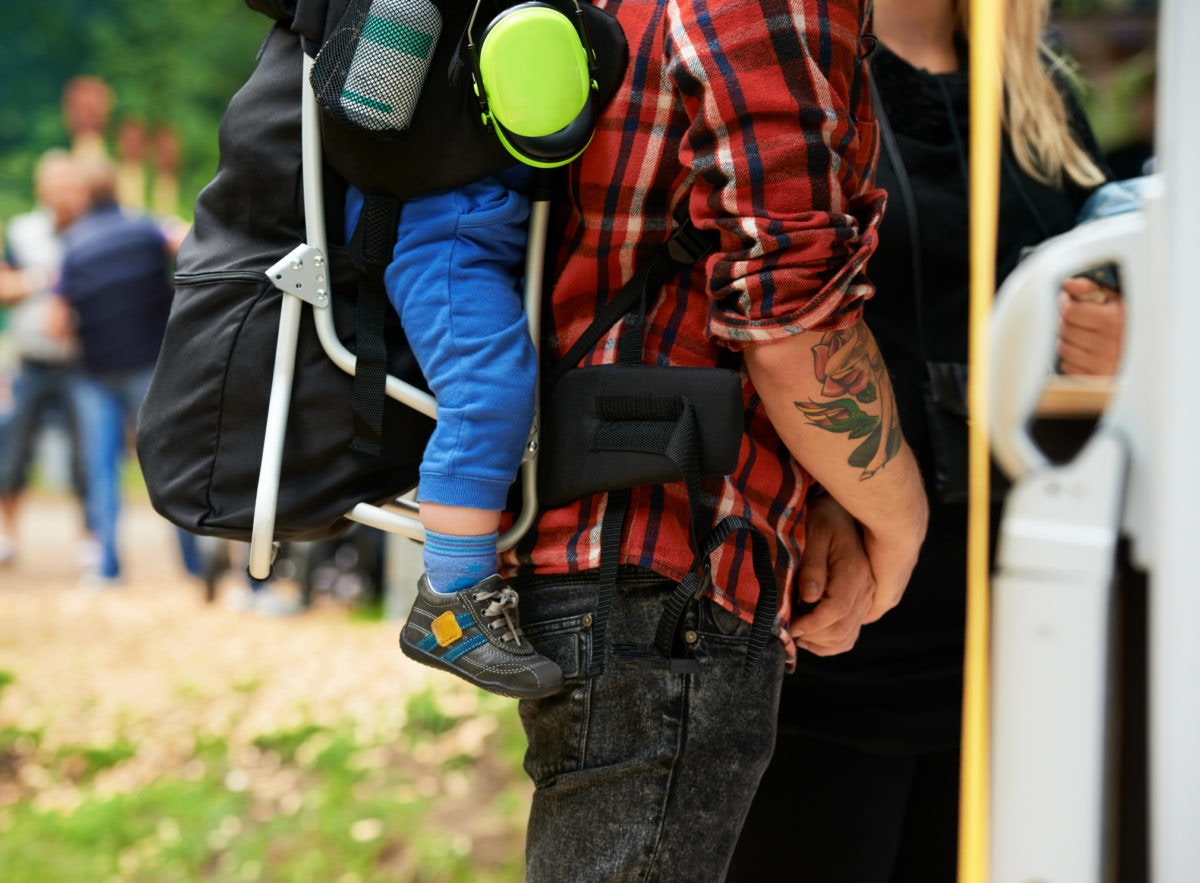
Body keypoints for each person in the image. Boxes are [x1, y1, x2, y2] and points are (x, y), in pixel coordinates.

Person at [496, 1, 929, 879]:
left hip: (600, 543)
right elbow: (792, 318)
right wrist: (900, 518)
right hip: (674, 573)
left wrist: (828, 495)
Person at [727, 0, 1117, 879]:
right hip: (827, 628)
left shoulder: (1038, 87)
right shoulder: (783, 60)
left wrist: (1118, 340)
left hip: (1014, 630)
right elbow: (747, 317)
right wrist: (835, 487)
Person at [343, 166, 565, 699]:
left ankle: (459, 591)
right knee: (487, 393)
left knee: (495, 391)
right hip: (443, 235)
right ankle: (451, 597)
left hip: (475, 226)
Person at [54, 154, 202, 585]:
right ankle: (193, 566)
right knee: (170, 465)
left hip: (95, 373)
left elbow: (56, 322)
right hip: (151, 368)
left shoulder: (73, 246)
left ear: (83, 195)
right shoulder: (147, 227)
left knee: (102, 473)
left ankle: (106, 569)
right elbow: (192, 241)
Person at [0, 150, 91, 566]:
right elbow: (5, 285)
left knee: (84, 456)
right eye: (55, 184)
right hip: (33, 360)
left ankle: (89, 538)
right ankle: (7, 536)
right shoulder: (22, 231)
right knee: (13, 454)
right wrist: (46, 280)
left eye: (69, 184)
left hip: (82, 362)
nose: (62, 193)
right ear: (42, 187)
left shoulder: (92, 230)